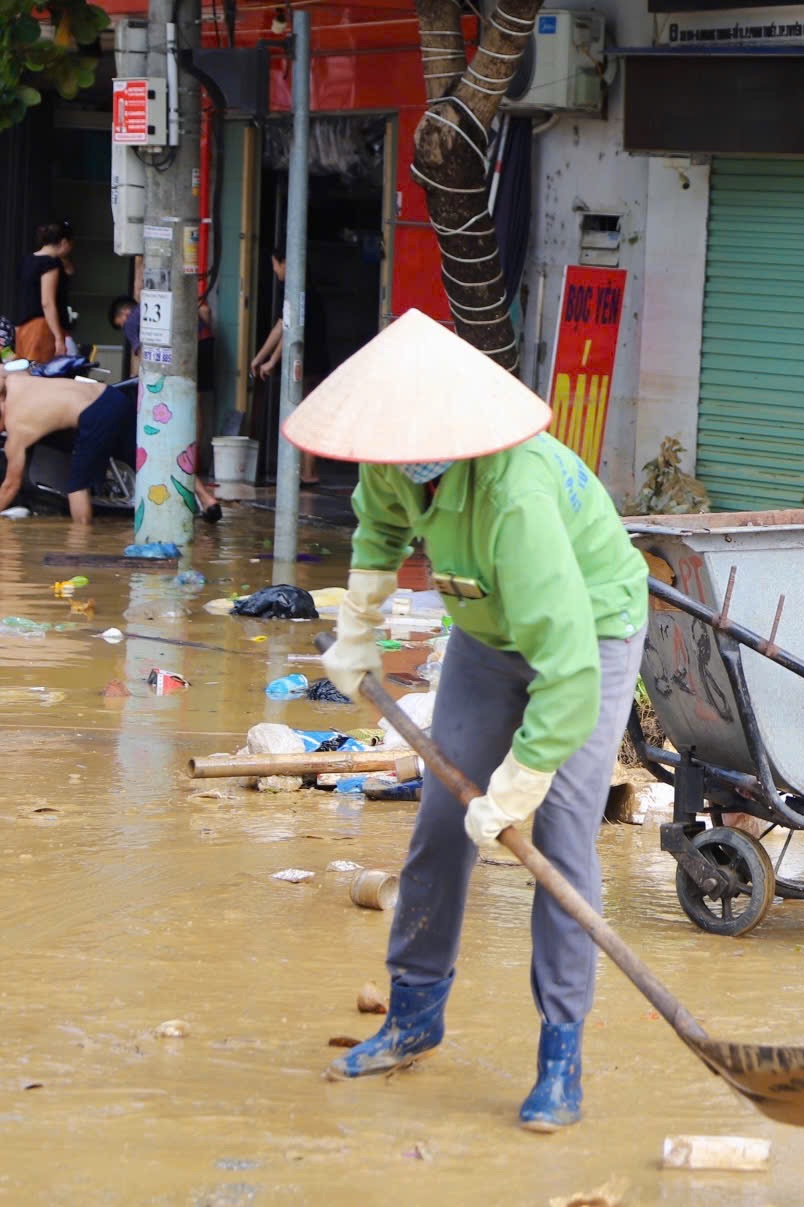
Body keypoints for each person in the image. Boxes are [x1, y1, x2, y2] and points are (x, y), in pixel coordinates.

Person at [293, 310, 649, 1130]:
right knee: (442, 822)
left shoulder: (513, 494)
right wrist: (358, 628)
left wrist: (520, 782)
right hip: (487, 632)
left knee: (557, 841)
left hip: (587, 631)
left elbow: (568, 669)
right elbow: (380, 530)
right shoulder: (391, 463)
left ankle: (561, 1053)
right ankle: (414, 1012)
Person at [108, 294, 223, 522]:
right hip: (204, 341)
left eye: (120, 325)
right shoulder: (173, 299)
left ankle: (196, 493)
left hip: (175, 370)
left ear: (123, 315)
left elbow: (144, 360)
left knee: (164, 438)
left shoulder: (133, 321)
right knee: (194, 404)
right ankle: (195, 466)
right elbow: (205, 313)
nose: (125, 330)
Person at [0, 369, 133, 524]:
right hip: (112, 395)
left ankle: (80, 541)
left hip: (95, 413)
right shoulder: (14, 380)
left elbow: (10, 486)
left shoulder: (18, 430)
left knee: (77, 488)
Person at [250, 247, 328, 484]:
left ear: (285, 263)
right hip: (312, 359)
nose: (274, 270)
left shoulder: (299, 292)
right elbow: (282, 326)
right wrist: (260, 358)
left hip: (309, 361)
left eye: (275, 265)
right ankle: (305, 472)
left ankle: (308, 473)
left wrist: (270, 361)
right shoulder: (301, 290)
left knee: (308, 416)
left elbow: (289, 331)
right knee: (307, 414)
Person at [15, 221, 76, 363]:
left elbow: (70, 271)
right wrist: (58, 337)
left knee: (27, 371)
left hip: (24, 327)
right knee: (41, 374)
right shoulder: (49, 263)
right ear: (65, 242)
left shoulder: (29, 260)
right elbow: (47, 302)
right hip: (43, 327)